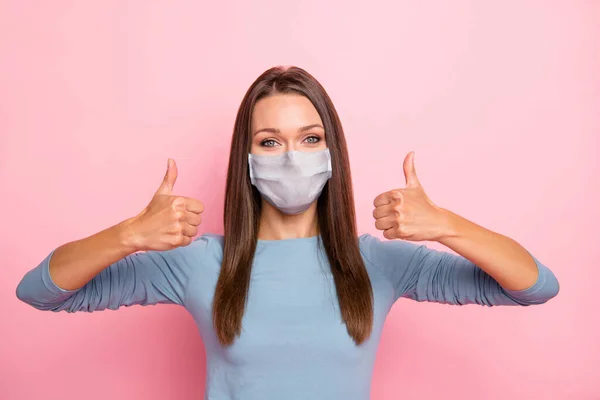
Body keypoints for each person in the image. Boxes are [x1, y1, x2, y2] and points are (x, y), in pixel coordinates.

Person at [16, 66, 559, 400]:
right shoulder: (200, 263)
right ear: (247, 158)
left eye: (309, 137)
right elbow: (39, 292)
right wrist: (130, 233)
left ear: (332, 153)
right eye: (270, 142)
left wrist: (445, 225)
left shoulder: (380, 264)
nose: (292, 157)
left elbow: (535, 285)